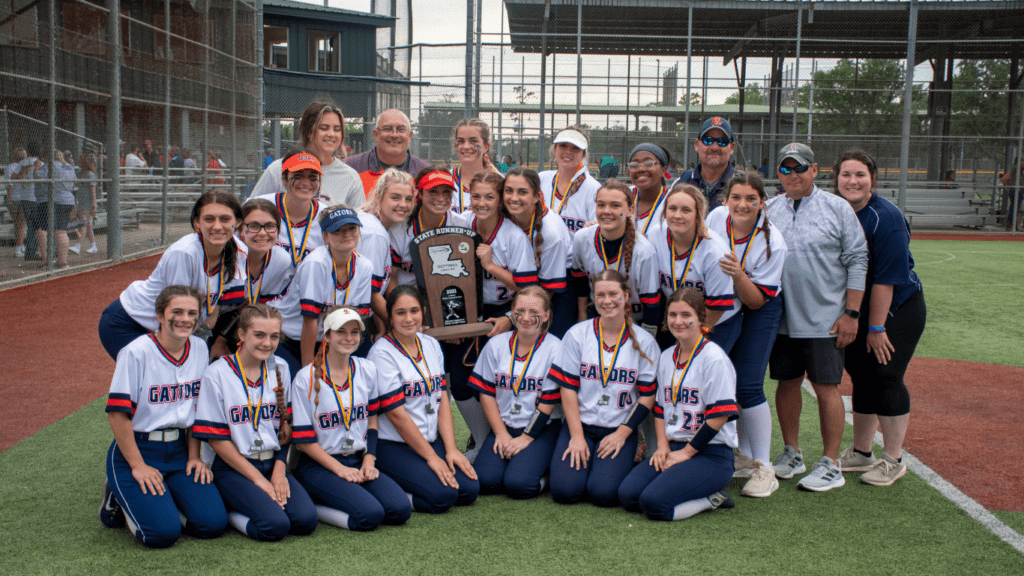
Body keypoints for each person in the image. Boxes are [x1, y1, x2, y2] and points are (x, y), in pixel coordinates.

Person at [764, 142, 868, 492]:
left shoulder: (837, 208)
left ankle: (831, 462)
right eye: (785, 168)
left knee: (827, 388)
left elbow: (857, 259)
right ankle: (792, 452)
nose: (793, 174)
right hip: (781, 318)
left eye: (800, 167)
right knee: (787, 383)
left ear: (815, 170)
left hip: (825, 317)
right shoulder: (768, 209)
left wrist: (851, 313)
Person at [99, 286, 227, 547]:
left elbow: (195, 410)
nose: (185, 318)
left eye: (192, 313)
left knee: (212, 524)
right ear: (159, 315)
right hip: (139, 448)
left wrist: (194, 456)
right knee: (161, 535)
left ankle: (161, 499)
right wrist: (138, 465)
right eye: (176, 311)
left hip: (180, 450)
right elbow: (117, 414)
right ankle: (116, 495)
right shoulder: (136, 352)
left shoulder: (200, 348)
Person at [833, 149, 926, 487]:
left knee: (886, 374)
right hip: (857, 308)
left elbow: (886, 280)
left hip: (896, 308)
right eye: (846, 174)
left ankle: (894, 458)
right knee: (861, 375)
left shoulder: (885, 217)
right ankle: (861, 452)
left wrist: (876, 327)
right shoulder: (836, 210)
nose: (852, 181)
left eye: (860, 174)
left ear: (872, 178)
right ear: (836, 178)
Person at [194, 303, 318, 541]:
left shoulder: (280, 367)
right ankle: (229, 510)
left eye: (274, 336)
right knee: (274, 526)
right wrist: (259, 480)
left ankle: (255, 498)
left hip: (272, 462)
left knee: (304, 521)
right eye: (259, 335)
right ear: (241, 334)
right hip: (233, 467)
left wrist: (279, 473)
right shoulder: (217, 373)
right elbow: (216, 440)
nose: (267, 343)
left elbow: (285, 430)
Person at [618, 287, 739, 520]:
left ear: (700, 318)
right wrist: (662, 446)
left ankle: (712, 498)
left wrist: (686, 452)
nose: (678, 321)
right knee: (628, 495)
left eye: (686, 315)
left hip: (710, 453)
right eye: (673, 315)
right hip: (674, 446)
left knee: (654, 503)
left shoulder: (714, 359)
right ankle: (688, 484)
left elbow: (719, 417)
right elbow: (661, 409)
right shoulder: (666, 356)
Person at [290, 307, 412, 530]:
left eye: (354, 332)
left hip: (358, 458)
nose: (349, 338)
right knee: (369, 515)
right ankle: (315, 505)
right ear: (326, 335)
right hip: (320, 465)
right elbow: (303, 442)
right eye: (340, 331)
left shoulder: (366, 368)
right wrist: (340, 470)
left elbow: (372, 418)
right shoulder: (304, 377)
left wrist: (369, 458)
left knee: (400, 509)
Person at [705, 172, 788, 497]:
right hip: (724, 303)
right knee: (722, 378)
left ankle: (764, 467)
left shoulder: (772, 243)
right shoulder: (716, 217)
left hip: (759, 306)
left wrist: (738, 274)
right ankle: (740, 453)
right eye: (736, 197)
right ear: (725, 200)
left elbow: (756, 299)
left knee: (749, 383)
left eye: (751, 199)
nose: (742, 204)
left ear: (762, 203)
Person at [548, 270, 659, 507]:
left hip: (617, 429)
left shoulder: (644, 340)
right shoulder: (578, 334)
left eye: (613, 294)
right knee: (565, 492)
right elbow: (567, 388)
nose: (606, 301)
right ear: (593, 297)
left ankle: (630, 451)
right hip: (581, 426)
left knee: (604, 494)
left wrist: (623, 433)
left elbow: (648, 395)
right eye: (600, 295)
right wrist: (576, 436)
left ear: (626, 295)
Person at [368, 286, 480, 513]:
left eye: (414, 311)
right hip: (393, 444)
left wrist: (451, 450)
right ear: (389, 317)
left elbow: (442, 399)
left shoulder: (430, 344)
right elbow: (397, 415)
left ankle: (420, 472)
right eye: (400, 313)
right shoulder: (382, 353)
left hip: (427, 440)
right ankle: (394, 491)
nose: (409, 319)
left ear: (423, 312)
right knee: (443, 496)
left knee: (468, 489)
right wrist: (432, 458)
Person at [98, 190, 245, 360]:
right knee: (153, 379)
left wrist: (202, 342)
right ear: (197, 222)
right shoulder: (185, 253)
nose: (217, 226)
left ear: (238, 222)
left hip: (172, 325)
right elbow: (175, 312)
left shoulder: (239, 252)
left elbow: (214, 305)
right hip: (130, 322)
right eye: (209, 219)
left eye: (225, 219)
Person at [454, 171, 538, 461]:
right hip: (466, 309)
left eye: (489, 196)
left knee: (496, 380)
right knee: (458, 378)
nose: (481, 202)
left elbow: (529, 289)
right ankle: (480, 440)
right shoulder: (462, 222)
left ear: (500, 200)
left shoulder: (513, 236)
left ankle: (516, 437)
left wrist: (491, 266)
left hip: (505, 312)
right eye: (475, 195)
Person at [469, 287, 563, 498]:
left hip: (541, 429)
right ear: (512, 312)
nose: (526, 318)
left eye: (535, 312)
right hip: (505, 426)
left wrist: (526, 438)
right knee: (485, 481)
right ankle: (521, 462)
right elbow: (486, 393)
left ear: (546, 315)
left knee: (519, 486)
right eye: (520, 311)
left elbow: (548, 402)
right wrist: (501, 433)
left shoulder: (556, 348)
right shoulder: (496, 344)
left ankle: (545, 474)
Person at [271, 206, 374, 378]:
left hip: (330, 340)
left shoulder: (364, 266)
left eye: (351, 228)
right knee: (302, 382)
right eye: (337, 230)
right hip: (290, 338)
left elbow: (356, 318)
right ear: (325, 236)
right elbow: (309, 321)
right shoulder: (316, 263)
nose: (346, 234)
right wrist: (308, 371)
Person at [647, 183, 736, 351]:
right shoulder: (655, 235)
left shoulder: (714, 251)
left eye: (686, 210)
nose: (677, 215)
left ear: (698, 215)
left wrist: (695, 337)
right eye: (672, 209)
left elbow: (717, 306)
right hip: (677, 318)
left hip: (716, 318)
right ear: (664, 212)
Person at [570, 179, 660, 335]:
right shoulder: (582, 238)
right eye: (601, 204)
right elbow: (580, 282)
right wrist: (582, 316)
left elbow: (651, 304)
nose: (606, 211)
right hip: (597, 314)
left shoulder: (644, 251)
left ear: (630, 210)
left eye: (615, 205)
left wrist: (647, 339)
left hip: (633, 320)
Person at [211, 199, 294, 358]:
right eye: (254, 226)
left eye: (270, 226)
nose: (262, 233)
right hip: (204, 322)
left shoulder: (280, 260)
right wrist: (218, 342)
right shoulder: (225, 256)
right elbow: (208, 309)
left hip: (238, 323)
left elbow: (252, 306)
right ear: (240, 228)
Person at [503, 166, 575, 338]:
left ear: (536, 196)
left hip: (558, 289)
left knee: (547, 341)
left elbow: (547, 290)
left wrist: (511, 318)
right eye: (508, 191)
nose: (514, 198)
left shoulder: (551, 232)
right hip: (525, 284)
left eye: (522, 192)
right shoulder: (506, 216)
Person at [252, 101, 364, 206]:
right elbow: (252, 210)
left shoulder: (350, 177)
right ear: (309, 131)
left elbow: (360, 223)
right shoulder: (278, 169)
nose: (331, 134)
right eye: (324, 128)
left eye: (337, 129)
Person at [388, 166, 470, 289]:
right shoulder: (399, 228)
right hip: (407, 299)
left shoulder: (461, 225)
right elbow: (391, 279)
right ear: (420, 193)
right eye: (433, 191)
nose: (441, 198)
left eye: (446, 192)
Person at [358, 168, 415, 334]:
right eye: (395, 197)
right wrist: (399, 326)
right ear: (378, 196)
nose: (403, 204)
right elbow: (370, 292)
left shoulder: (373, 222)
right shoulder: (374, 233)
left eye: (408, 199)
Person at [250, 150, 327, 268]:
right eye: (298, 176)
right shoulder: (259, 206)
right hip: (263, 284)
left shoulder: (327, 216)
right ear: (284, 179)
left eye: (312, 178)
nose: (306, 183)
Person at [346, 109, 430, 196]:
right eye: (387, 129)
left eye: (401, 129)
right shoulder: (351, 167)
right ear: (376, 134)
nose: (394, 135)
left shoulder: (425, 174)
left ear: (409, 136)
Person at [539, 127, 600, 237]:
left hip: (576, 254)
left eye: (575, 148)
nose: (568, 152)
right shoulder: (541, 179)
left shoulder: (593, 188)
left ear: (583, 155)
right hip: (542, 252)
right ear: (554, 149)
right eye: (563, 145)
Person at [672, 117, 737, 210]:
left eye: (722, 141)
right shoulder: (683, 182)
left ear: (731, 148)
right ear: (697, 145)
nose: (714, 147)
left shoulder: (745, 184)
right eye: (708, 140)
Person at [35, 150, 77, 267]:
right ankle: (61, 261)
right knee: (61, 231)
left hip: (51, 200)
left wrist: (37, 168)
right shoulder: (68, 166)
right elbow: (72, 183)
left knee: (49, 231)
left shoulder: (49, 166)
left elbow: (38, 177)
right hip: (67, 200)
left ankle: (53, 260)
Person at [451, 118, 501, 212]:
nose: (466, 146)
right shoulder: (445, 180)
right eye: (461, 141)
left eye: (473, 141)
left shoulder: (499, 183)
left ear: (486, 147)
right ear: (455, 145)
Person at [627, 143, 672, 237]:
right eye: (634, 164)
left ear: (663, 170)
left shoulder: (673, 200)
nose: (641, 169)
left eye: (648, 163)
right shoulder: (622, 195)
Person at [70, 153, 98, 255]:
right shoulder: (80, 173)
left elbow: (93, 191)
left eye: (81, 161)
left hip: (88, 204)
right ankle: (94, 246)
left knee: (84, 225)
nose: (79, 163)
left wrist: (93, 206)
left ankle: (78, 245)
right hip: (81, 203)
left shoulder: (90, 174)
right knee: (88, 226)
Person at [6, 148, 27, 258]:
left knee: (17, 224)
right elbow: (10, 184)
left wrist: (9, 198)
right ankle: (18, 248)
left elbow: (9, 183)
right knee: (22, 225)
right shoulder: (25, 166)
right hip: (22, 197)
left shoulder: (10, 167)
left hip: (14, 197)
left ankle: (20, 245)